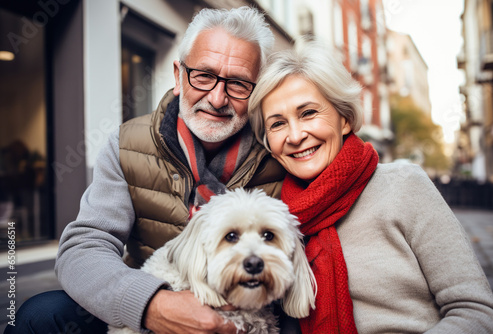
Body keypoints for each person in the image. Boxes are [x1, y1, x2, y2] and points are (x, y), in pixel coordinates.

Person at [7, 6, 287, 334]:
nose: (217, 97)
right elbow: (83, 248)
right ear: (178, 75)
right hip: (144, 311)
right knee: (40, 314)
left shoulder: (280, 154)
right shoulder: (128, 144)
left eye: (238, 84)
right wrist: (151, 304)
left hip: (248, 316)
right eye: (204, 75)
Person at [248, 41, 493, 334]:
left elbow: (477, 312)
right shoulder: (272, 217)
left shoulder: (404, 186)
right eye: (277, 124)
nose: (295, 135)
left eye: (308, 113)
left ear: (344, 119)